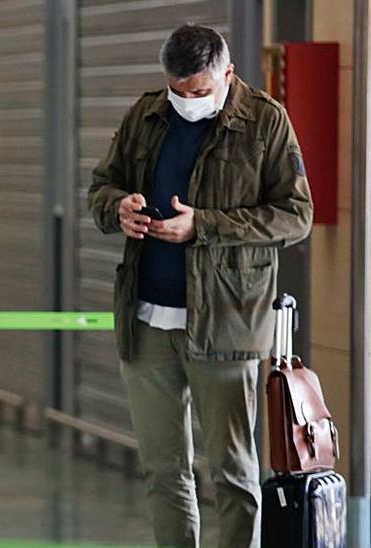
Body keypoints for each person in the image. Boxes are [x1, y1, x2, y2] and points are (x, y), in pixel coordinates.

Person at [88, 24, 312, 548]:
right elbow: (102, 185)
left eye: (199, 91)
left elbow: (296, 216)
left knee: (233, 473)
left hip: (227, 323)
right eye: (178, 90)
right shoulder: (145, 116)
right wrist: (115, 207)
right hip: (147, 321)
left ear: (227, 74)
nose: (187, 101)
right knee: (163, 472)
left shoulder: (265, 122)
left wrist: (204, 226)